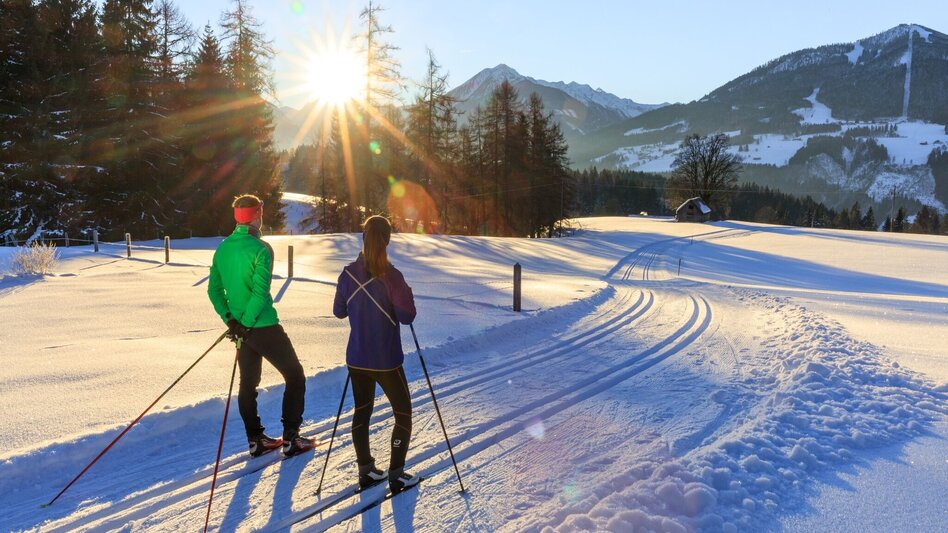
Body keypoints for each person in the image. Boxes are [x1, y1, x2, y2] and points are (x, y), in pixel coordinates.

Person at [207, 194, 316, 458]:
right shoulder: (260, 249)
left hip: (242, 330)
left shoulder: (223, 247)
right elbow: (260, 293)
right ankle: (291, 439)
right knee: (295, 375)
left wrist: (231, 320)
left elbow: (214, 291)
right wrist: (243, 323)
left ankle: (256, 440)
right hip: (263, 325)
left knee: (248, 383)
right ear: (257, 214)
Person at [333, 215, 420, 494]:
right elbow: (407, 316)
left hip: (357, 357)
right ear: (388, 240)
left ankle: (366, 470)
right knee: (403, 413)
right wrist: (406, 293)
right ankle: (396, 475)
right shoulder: (392, 276)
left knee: (362, 412)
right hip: (386, 360)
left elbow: (339, 311)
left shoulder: (347, 273)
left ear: (364, 237)